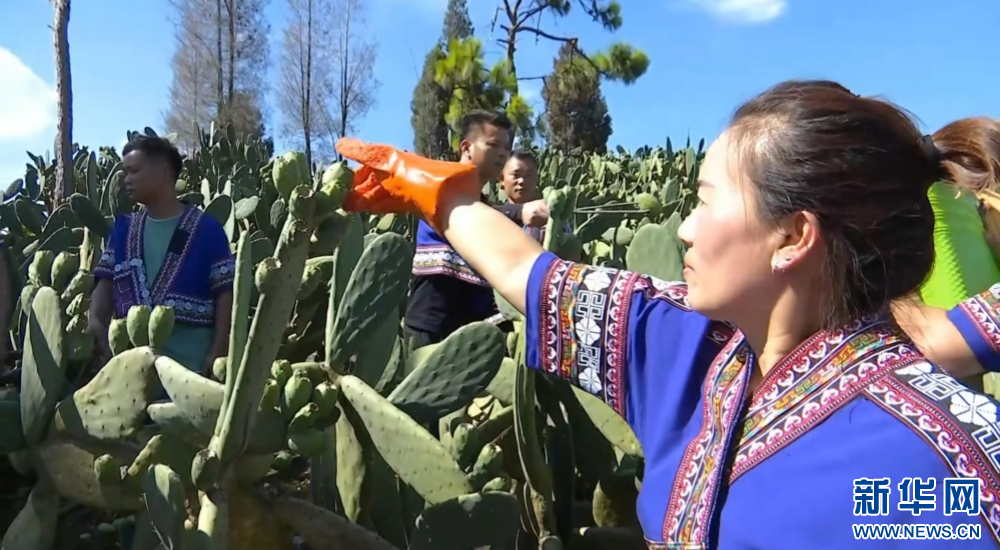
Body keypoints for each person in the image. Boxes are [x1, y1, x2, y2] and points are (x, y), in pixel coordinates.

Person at [335, 81, 1000, 547]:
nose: (684, 228)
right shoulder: (689, 344)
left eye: (706, 202)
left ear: (793, 236)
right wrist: (440, 194)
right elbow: (529, 275)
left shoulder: (950, 461)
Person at [90, 135, 234, 376]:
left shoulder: (208, 230)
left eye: (134, 171)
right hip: (128, 373)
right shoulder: (123, 229)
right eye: (125, 172)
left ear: (164, 171)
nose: (127, 179)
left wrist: (218, 349)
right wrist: (95, 318)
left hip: (192, 370)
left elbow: (225, 295)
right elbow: (105, 282)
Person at [405, 110, 549, 347]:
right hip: (431, 329)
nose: (502, 153)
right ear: (467, 147)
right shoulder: (442, 184)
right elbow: (466, 213)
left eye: (506, 147)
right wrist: (519, 212)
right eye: (493, 144)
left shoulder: (479, 201)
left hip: (467, 335)